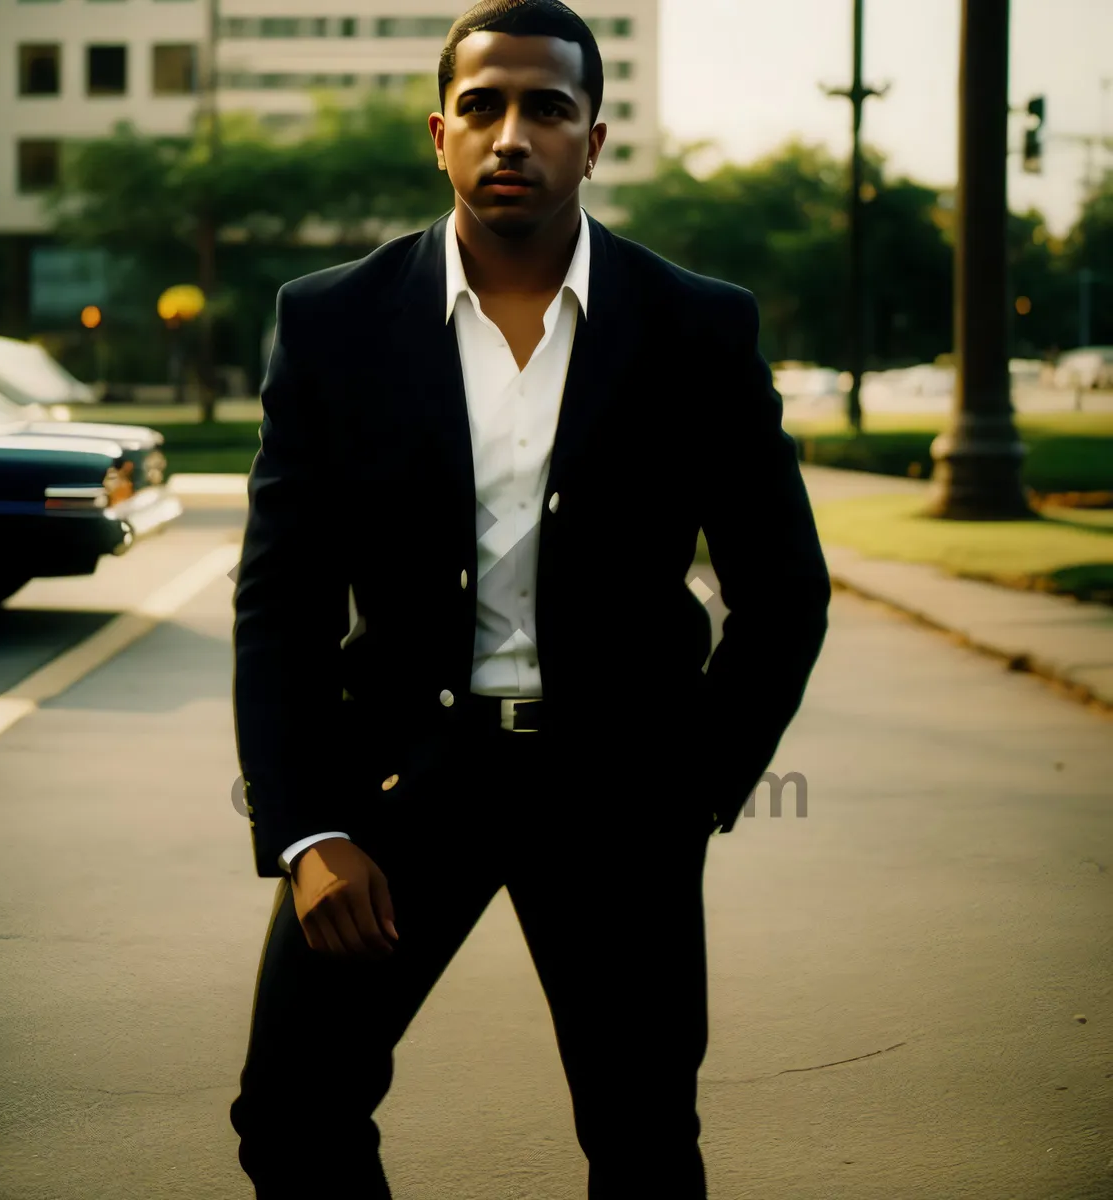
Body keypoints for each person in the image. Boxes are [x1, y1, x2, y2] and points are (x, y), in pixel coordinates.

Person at [228, 1, 831, 1195]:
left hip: (620, 795)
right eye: (487, 106)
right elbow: (281, 603)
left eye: (548, 108)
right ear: (439, 133)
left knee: (643, 1135)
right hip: (399, 790)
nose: (515, 135)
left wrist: (691, 790)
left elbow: (784, 592)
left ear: (593, 141)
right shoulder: (332, 321)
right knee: (294, 1111)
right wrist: (307, 830)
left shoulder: (697, 327)